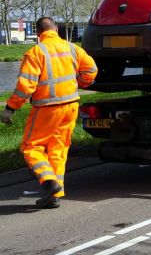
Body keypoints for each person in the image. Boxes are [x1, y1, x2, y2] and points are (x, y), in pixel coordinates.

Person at [0, 17, 97, 208]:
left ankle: (48, 180)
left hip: (47, 108)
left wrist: (10, 108)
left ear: (38, 33)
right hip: (70, 106)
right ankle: (55, 194)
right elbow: (91, 69)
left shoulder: (36, 52)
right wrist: (82, 83)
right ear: (56, 29)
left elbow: (25, 87)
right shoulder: (72, 48)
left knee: (31, 147)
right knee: (58, 149)